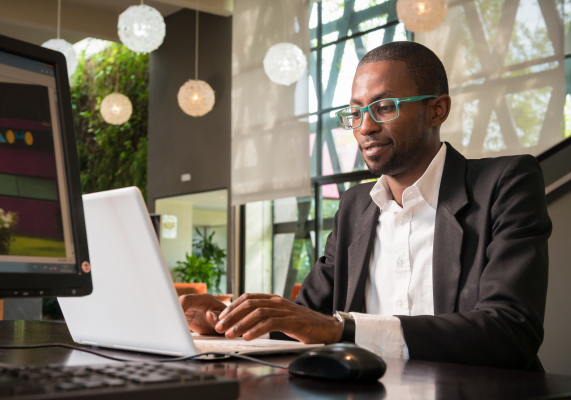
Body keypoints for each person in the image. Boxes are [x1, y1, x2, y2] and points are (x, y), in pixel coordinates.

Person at [179, 41, 551, 371]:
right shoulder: (355, 205)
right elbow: (304, 318)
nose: (364, 127)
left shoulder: (505, 183)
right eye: (355, 112)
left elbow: (511, 330)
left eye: (384, 107)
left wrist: (345, 329)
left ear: (437, 110)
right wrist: (227, 318)